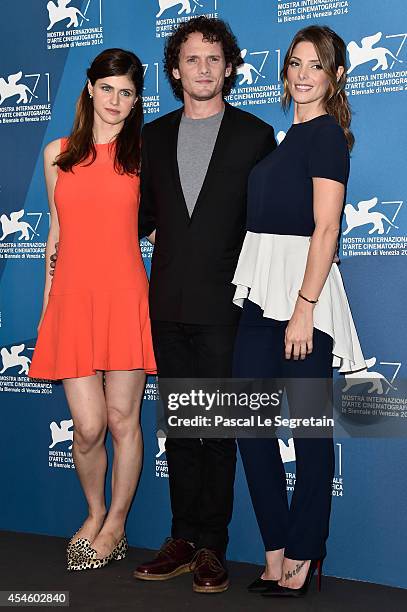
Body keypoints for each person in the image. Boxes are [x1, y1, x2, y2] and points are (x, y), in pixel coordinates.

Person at [133, 17, 276, 593]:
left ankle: (212, 544)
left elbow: (268, 226)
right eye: (192, 59)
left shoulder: (254, 135)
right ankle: (182, 538)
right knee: (183, 428)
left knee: (216, 430)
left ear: (230, 67)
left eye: (214, 59)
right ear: (175, 70)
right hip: (166, 305)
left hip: (227, 310)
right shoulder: (153, 137)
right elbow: (141, 221)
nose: (203, 69)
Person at [232, 25, 366, 597]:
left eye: (316, 65)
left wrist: (304, 308)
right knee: (247, 421)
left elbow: (327, 228)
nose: (303, 74)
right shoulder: (285, 139)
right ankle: (276, 548)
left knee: (310, 431)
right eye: (295, 63)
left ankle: (306, 554)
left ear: (335, 76)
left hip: (303, 299)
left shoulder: (328, 138)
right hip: (262, 296)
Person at [29, 48, 156, 571]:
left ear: (135, 100)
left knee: (124, 419)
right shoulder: (57, 153)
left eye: (127, 92)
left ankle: (116, 524)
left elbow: (162, 229)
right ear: (88, 88)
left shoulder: (144, 157)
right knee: (88, 426)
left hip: (126, 296)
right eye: (108, 88)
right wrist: (47, 305)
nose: (116, 100)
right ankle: (94, 509)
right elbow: (55, 235)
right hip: (73, 302)